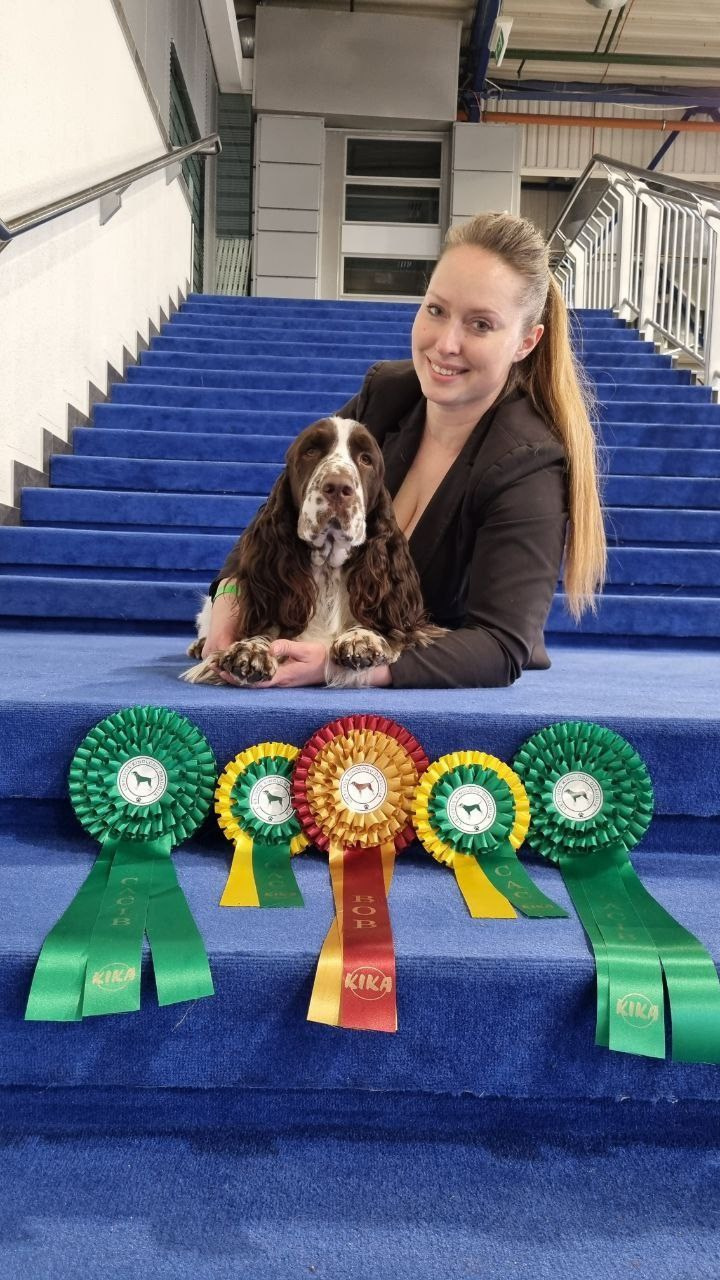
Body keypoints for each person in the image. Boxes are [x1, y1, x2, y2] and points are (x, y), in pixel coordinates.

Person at [203, 211, 606, 689]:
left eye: (480, 324)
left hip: (439, 690)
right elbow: (280, 510)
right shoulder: (387, 395)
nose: (445, 344)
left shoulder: (527, 463)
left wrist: (336, 666)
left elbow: (500, 646)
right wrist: (229, 600)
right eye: (436, 310)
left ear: (525, 342)